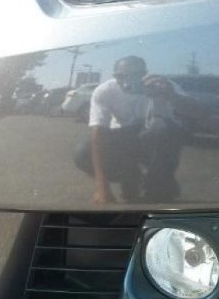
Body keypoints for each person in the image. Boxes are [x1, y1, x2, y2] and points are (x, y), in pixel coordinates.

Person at [74, 56, 190, 203]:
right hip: (124, 139)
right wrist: (102, 188)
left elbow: (199, 113)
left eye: (139, 74)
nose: (133, 80)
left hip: (154, 139)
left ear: (146, 73)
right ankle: (131, 176)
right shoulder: (105, 91)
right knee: (84, 151)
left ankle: (159, 182)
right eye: (124, 76)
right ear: (116, 77)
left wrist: (170, 95)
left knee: (163, 132)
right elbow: (98, 134)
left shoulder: (162, 85)